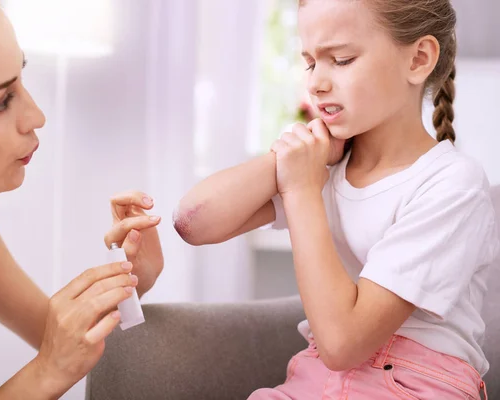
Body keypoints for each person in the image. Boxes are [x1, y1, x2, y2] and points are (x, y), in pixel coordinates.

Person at [174, 0, 498, 398]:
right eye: (310, 62)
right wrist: (289, 161)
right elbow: (193, 221)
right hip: (315, 382)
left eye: (341, 60)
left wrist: (301, 190)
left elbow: (343, 343)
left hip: (415, 384)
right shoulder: (322, 169)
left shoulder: (451, 183)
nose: (316, 83)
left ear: (418, 59)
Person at [0, 1, 164, 398]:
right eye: (1, 102)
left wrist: (128, 285)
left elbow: (55, 336)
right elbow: (54, 357)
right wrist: (44, 374)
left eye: (20, 78)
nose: (37, 116)